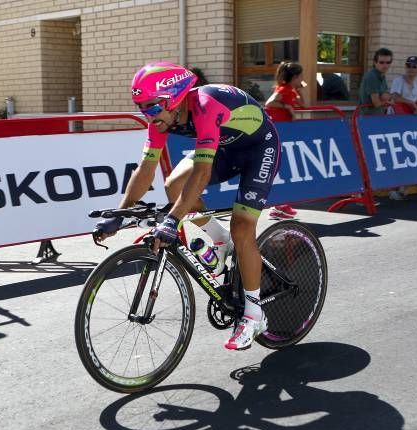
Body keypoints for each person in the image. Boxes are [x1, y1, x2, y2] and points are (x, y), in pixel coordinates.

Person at [94, 62, 280, 350]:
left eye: (152, 108)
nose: (148, 115)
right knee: (173, 186)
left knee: (243, 228)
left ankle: (254, 315)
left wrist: (172, 220)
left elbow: (202, 173)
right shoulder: (160, 118)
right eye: (141, 108)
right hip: (225, 147)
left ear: (174, 98)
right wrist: (121, 214)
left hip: (259, 149)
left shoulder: (206, 105)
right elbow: (146, 168)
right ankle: (221, 242)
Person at [263, 61, 303, 220]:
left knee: (282, 168)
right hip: (278, 132)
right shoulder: (283, 89)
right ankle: (278, 206)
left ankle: (281, 205)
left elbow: (304, 103)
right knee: (278, 169)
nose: (303, 79)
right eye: (301, 76)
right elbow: (269, 103)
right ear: (295, 77)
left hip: (284, 133)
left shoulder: (291, 90)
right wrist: (287, 108)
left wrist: (301, 89)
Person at [389, 56, 417, 197]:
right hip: (395, 121)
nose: (411, 69)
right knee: (399, 153)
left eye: (414, 66)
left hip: (410, 122)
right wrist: (411, 103)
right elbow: (394, 97)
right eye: (408, 65)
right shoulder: (398, 80)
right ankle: (397, 188)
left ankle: (410, 184)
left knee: (412, 152)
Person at [358, 48, 394, 115]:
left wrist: (389, 98)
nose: (385, 65)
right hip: (368, 118)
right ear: (375, 62)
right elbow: (376, 103)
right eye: (381, 62)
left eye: (388, 62)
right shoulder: (372, 76)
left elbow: (384, 95)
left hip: (376, 117)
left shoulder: (381, 75)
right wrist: (388, 102)